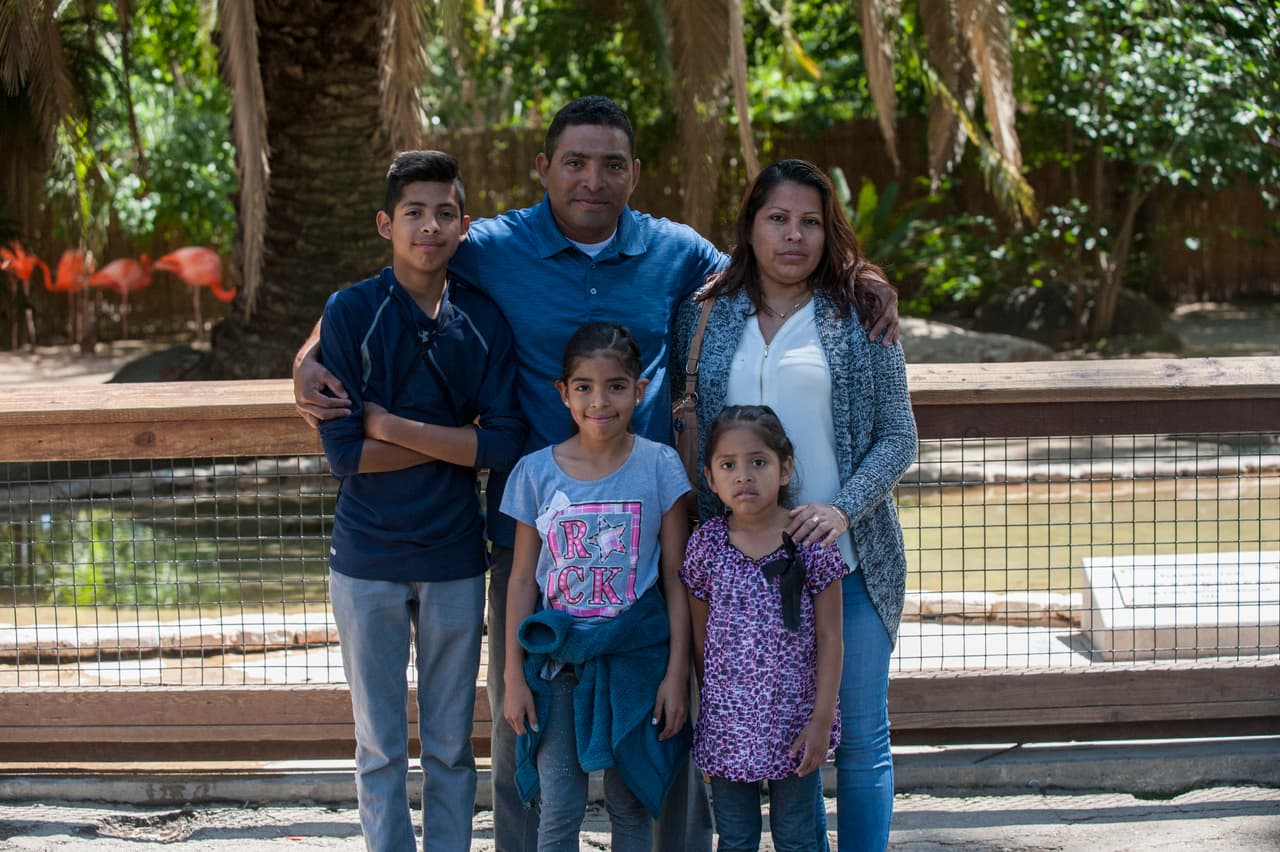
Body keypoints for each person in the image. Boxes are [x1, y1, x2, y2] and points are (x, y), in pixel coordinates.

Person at [294, 95, 901, 852]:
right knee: (525, 724)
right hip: (536, 531)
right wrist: (310, 353)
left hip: (654, 535)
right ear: (543, 167)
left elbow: (776, 258)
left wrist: (862, 276)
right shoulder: (494, 244)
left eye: (611, 165)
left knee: (667, 722)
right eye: (575, 162)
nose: (592, 179)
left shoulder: (675, 251)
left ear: (633, 174)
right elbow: (402, 269)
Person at [673, 159, 917, 851]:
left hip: (848, 562)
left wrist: (842, 510)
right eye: (777, 218)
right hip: (739, 574)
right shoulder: (705, 313)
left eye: (811, 222)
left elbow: (899, 436)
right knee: (747, 730)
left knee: (860, 738)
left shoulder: (859, 313)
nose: (793, 235)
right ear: (750, 226)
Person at [315, 149, 525, 852]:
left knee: (451, 746)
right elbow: (345, 455)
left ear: (465, 224)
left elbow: (503, 443)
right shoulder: (351, 312)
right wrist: (455, 442)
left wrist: (392, 426)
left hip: (454, 558)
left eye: (444, 213)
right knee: (378, 746)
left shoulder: (484, 320)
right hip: (366, 558)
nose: (429, 226)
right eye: (414, 213)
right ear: (386, 224)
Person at [501, 322, 692, 851]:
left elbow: (676, 578)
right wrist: (513, 675)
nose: (599, 401)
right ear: (563, 393)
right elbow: (522, 580)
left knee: (630, 804)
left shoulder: (660, 466)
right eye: (584, 387)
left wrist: (677, 674)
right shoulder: (535, 473)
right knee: (560, 805)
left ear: (640, 390)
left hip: (635, 662)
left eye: (616, 386)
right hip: (559, 665)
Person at [682, 405, 845, 852]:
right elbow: (700, 642)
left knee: (797, 836)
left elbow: (831, 638)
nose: (744, 476)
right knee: (736, 838)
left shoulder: (810, 542)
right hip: (727, 727)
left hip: (795, 723)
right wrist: (711, 715)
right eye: (728, 465)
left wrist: (821, 721)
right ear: (710, 478)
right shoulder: (706, 546)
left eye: (758, 462)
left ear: (785, 468)